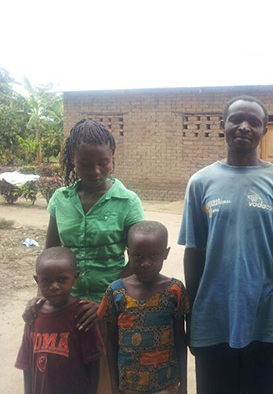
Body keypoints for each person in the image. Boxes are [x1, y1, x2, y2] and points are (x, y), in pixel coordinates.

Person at [178, 95, 273, 394]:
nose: (244, 127)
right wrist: (193, 316)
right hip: (213, 318)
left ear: (264, 131)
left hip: (266, 319)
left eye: (254, 122)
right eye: (236, 119)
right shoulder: (201, 182)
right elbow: (193, 253)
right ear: (222, 124)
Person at [23, 119, 145, 392]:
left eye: (104, 162)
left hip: (114, 309)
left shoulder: (128, 202)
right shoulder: (60, 200)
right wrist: (43, 298)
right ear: (72, 161)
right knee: (71, 378)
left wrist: (104, 304)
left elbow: (138, 259)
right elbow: (51, 253)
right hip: (69, 310)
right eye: (85, 163)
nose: (96, 170)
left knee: (108, 378)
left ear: (112, 158)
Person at [98, 221, 189, 394]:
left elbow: (180, 338)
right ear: (128, 254)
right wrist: (114, 384)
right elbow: (110, 341)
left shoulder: (175, 290)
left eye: (153, 256)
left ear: (166, 254)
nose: (145, 263)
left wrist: (183, 383)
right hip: (129, 385)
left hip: (166, 383)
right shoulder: (115, 292)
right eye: (138, 256)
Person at [15, 247, 105, 394]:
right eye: (46, 281)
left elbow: (94, 363)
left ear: (75, 278)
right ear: (37, 281)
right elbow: (27, 365)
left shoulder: (82, 314)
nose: (55, 286)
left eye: (62, 279)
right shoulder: (33, 315)